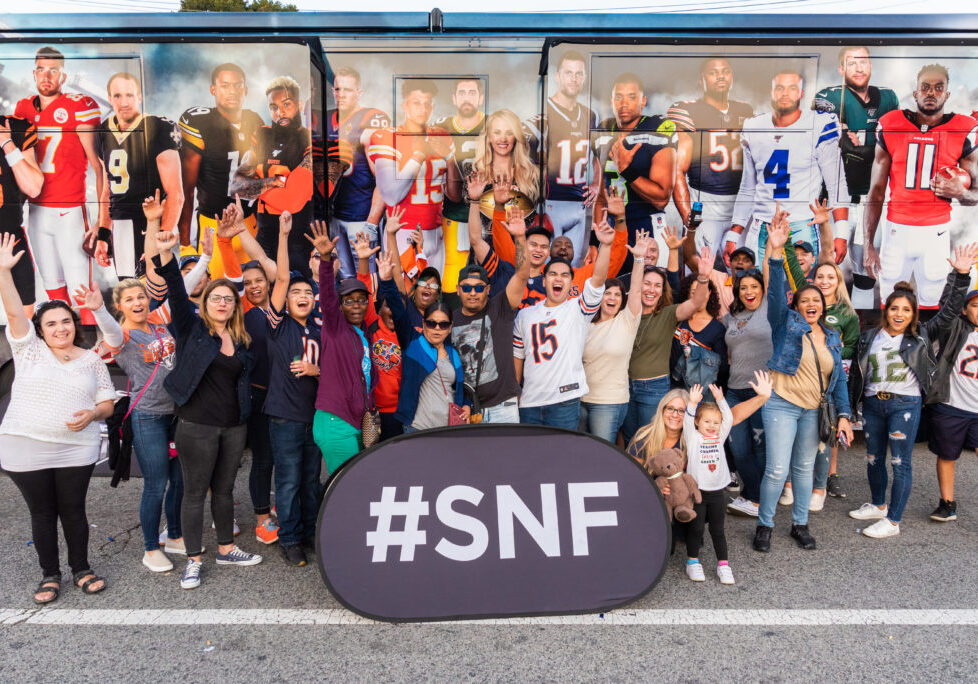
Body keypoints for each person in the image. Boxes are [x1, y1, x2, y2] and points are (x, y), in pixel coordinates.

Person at [0, 233, 113, 603]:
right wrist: (3, 271)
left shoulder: (92, 359)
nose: (61, 328)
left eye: (65, 321)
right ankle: (50, 574)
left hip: (75, 449)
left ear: (73, 324)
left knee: (73, 510)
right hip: (25, 447)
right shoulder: (29, 351)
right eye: (51, 324)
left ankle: (81, 568)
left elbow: (108, 403)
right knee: (43, 513)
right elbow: (16, 312)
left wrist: (93, 413)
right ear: (41, 330)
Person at [151, 221, 262, 590]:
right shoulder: (192, 329)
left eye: (228, 299)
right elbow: (177, 297)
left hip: (233, 426)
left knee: (227, 489)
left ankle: (226, 548)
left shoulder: (242, 338)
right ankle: (194, 559)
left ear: (235, 306)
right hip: (196, 425)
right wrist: (168, 254)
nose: (222, 302)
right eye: (216, 297)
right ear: (205, 302)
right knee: (195, 492)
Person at [848, 243, 976, 537]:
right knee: (873, 457)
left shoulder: (922, 335)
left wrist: (961, 275)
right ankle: (879, 505)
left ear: (914, 314)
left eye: (906, 310)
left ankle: (893, 521)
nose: (899, 314)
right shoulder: (870, 337)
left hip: (904, 405)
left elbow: (947, 313)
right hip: (872, 404)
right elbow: (858, 373)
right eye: (894, 308)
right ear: (886, 309)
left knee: (899, 462)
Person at [753, 219, 854, 553]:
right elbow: (776, 286)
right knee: (777, 469)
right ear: (796, 306)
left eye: (817, 301)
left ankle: (800, 524)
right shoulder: (784, 324)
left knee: (803, 469)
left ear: (824, 306)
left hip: (813, 410)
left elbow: (836, 381)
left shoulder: (834, 337)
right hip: (781, 403)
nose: (812, 304)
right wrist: (777, 252)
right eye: (804, 300)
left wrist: (844, 415)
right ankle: (765, 525)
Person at [87, 264, 184, 573]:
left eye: (141, 296)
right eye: (129, 299)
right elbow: (111, 330)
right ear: (120, 306)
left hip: (178, 416)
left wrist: (206, 259)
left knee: (180, 481)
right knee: (157, 483)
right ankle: (150, 548)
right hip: (148, 418)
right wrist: (99, 310)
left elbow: (182, 289)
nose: (138, 302)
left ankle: (175, 535)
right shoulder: (121, 336)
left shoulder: (159, 324)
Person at [863, 63, 978, 308]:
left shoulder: (963, 129)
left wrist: (961, 192)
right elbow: (876, 191)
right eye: (925, 87)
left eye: (939, 88)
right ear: (915, 93)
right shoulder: (891, 124)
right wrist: (868, 244)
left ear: (947, 94)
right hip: (896, 229)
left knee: (931, 301)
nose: (931, 92)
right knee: (890, 302)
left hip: (935, 231)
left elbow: (975, 193)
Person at [726, 69, 850, 267]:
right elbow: (748, 186)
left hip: (802, 224)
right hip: (762, 224)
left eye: (792, 88)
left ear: (801, 93)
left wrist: (841, 233)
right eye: (780, 88)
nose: (785, 93)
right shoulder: (754, 126)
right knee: (761, 290)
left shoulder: (818, 124)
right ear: (771, 92)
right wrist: (735, 232)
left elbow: (836, 183)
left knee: (801, 292)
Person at [14, 46, 105, 317]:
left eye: (53, 70)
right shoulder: (23, 107)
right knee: (53, 290)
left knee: (81, 292)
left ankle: (91, 352)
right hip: (36, 211)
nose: (47, 76)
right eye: (41, 69)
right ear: (33, 73)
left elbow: (99, 167)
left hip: (70, 211)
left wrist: (102, 218)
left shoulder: (80, 105)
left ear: (63, 76)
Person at [812, 46, 899, 309]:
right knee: (824, 269)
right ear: (841, 69)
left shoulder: (887, 97)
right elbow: (839, 141)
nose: (859, 68)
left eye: (864, 62)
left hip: (868, 202)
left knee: (866, 273)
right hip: (834, 200)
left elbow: (893, 144)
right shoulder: (829, 96)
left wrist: (859, 147)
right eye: (852, 63)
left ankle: (857, 328)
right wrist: (857, 145)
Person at [513, 213, 614, 428]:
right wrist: (515, 393)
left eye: (565, 275)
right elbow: (518, 357)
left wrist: (605, 246)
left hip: (564, 402)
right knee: (530, 459)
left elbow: (597, 280)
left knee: (562, 459)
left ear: (571, 281)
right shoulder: (525, 315)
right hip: (530, 401)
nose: (558, 278)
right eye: (553, 274)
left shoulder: (577, 308)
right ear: (544, 279)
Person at [261, 211, 322, 566]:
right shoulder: (278, 324)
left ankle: (311, 531)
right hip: (284, 417)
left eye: (307, 292)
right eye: (296, 293)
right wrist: (284, 236)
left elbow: (334, 371)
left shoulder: (319, 329)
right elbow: (281, 277)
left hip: (314, 415)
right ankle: (290, 537)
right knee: (288, 480)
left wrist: (317, 369)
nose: (301, 295)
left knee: (311, 479)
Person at [621, 244, 713, 446]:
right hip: (624, 386)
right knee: (629, 440)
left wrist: (703, 277)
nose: (651, 290)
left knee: (649, 440)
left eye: (657, 286)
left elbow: (696, 302)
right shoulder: (626, 314)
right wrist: (638, 260)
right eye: (647, 284)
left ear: (663, 291)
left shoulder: (669, 314)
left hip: (653, 389)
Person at [93, 71, 183, 279]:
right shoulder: (103, 132)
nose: (124, 102)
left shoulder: (158, 127)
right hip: (121, 225)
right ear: (109, 98)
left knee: (157, 291)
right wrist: (103, 236)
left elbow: (176, 194)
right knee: (128, 293)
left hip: (150, 222)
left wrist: (161, 239)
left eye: (129, 95)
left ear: (140, 97)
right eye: (117, 96)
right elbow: (108, 192)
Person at [178, 62, 264, 275]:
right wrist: (185, 243)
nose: (232, 91)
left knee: (252, 291)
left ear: (245, 90)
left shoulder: (254, 120)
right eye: (225, 86)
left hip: (249, 223)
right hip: (212, 223)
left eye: (237, 86)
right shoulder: (199, 122)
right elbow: (186, 189)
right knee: (216, 293)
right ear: (213, 89)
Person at [307, 221, 376, 475]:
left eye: (361, 300)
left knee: (356, 485)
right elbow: (326, 293)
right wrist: (326, 260)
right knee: (347, 486)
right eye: (349, 301)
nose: (356, 305)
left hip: (358, 422)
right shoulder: (335, 328)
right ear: (340, 305)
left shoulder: (363, 334)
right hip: (336, 421)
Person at [592, 72, 677, 274]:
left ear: (643, 101)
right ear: (612, 100)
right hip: (613, 228)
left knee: (650, 289)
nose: (624, 103)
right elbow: (601, 195)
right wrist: (594, 241)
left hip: (646, 225)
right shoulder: (605, 130)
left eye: (631, 97)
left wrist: (627, 170)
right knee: (613, 289)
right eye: (618, 97)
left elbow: (662, 198)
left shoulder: (657, 129)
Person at [451, 209, 530, 425]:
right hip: (465, 409)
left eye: (478, 287)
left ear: (488, 289)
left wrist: (520, 238)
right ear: (458, 290)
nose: (473, 292)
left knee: (508, 460)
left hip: (502, 406)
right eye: (467, 288)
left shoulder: (500, 307)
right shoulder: (449, 320)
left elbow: (522, 274)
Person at [668, 56, 754, 252]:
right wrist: (687, 214)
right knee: (699, 270)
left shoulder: (745, 110)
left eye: (725, 71)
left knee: (743, 271)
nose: (720, 77)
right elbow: (677, 169)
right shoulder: (688, 110)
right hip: (706, 201)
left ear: (732, 76)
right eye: (713, 72)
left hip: (740, 205)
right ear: (702, 79)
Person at [231, 76, 314, 278]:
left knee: (296, 291)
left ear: (299, 105)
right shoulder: (261, 136)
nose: (280, 112)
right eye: (273, 107)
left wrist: (258, 187)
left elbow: (292, 201)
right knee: (264, 288)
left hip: (298, 235)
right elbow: (235, 186)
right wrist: (274, 182)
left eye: (287, 104)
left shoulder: (310, 139)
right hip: (265, 232)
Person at [523, 50, 600, 267]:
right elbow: (522, 159)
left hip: (580, 204)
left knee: (574, 265)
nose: (574, 78)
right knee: (548, 265)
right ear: (557, 76)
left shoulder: (590, 115)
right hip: (550, 203)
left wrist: (595, 184)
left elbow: (596, 156)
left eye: (578, 74)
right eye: (569, 73)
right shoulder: (543, 114)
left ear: (584, 77)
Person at [367, 78, 452, 274]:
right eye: (416, 102)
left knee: (433, 293)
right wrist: (418, 155)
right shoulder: (387, 137)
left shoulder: (441, 135)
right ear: (405, 105)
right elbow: (390, 195)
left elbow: (452, 191)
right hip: (402, 231)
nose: (422, 109)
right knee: (402, 292)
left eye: (427, 103)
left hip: (436, 231)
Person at [581, 230, 652, 442]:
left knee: (603, 455)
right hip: (579, 400)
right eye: (607, 293)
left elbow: (637, 291)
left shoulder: (626, 321)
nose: (612, 298)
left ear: (622, 300)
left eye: (617, 294)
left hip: (610, 402)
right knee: (579, 455)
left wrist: (639, 259)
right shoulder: (585, 324)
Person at [925, 256, 978, 522]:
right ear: (966, 310)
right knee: (947, 455)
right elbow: (947, 306)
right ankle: (947, 502)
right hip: (952, 405)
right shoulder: (956, 328)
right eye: (976, 306)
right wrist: (960, 275)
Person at [325, 66, 389, 279]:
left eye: (347, 90)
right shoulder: (328, 120)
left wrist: (372, 222)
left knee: (367, 279)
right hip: (335, 217)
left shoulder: (371, 119)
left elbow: (383, 178)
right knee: (344, 279)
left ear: (359, 93)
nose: (340, 95)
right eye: (337, 89)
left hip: (360, 217)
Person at [724, 268, 774, 517]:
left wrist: (774, 246)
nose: (748, 292)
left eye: (754, 286)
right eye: (743, 287)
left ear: (762, 288)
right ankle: (753, 494)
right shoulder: (731, 316)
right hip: (734, 390)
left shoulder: (768, 308)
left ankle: (756, 499)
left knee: (760, 447)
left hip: (761, 392)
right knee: (738, 448)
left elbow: (769, 272)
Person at [682, 384, 735, 585]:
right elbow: (687, 422)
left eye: (716, 422)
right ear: (697, 422)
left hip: (717, 494)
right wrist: (693, 403)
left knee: (718, 530)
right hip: (697, 494)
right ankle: (692, 562)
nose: (712, 426)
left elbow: (728, 418)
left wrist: (721, 400)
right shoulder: (693, 437)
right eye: (707, 421)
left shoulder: (719, 437)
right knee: (696, 529)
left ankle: (723, 565)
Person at [437, 78, 486, 291]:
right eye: (463, 93)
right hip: (455, 215)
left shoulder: (493, 124)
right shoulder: (441, 126)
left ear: (481, 98)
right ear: (454, 99)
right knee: (452, 279)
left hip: (487, 215)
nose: (468, 97)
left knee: (487, 274)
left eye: (472, 92)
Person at [396, 301, 469, 431]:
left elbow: (460, 390)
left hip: (448, 431)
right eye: (431, 323)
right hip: (417, 429)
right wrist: (387, 283)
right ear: (423, 324)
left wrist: (466, 406)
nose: (437, 328)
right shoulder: (414, 344)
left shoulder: (453, 353)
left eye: (443, 325)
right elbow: (397, 310)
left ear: (450, 327)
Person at [0, 110, 43, 317]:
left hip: (8, 239)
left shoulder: (15, 128)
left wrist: (7, 144)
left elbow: (33, 188)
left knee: (24, 320)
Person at [670, 273, 727, 390]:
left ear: (710, 293)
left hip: (700, 392)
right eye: (694, 292)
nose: (699, 296)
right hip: (672, 386)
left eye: (703, 291)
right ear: (687, 294)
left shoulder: (717, 328)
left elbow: (722, 368)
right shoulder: (678, 318)